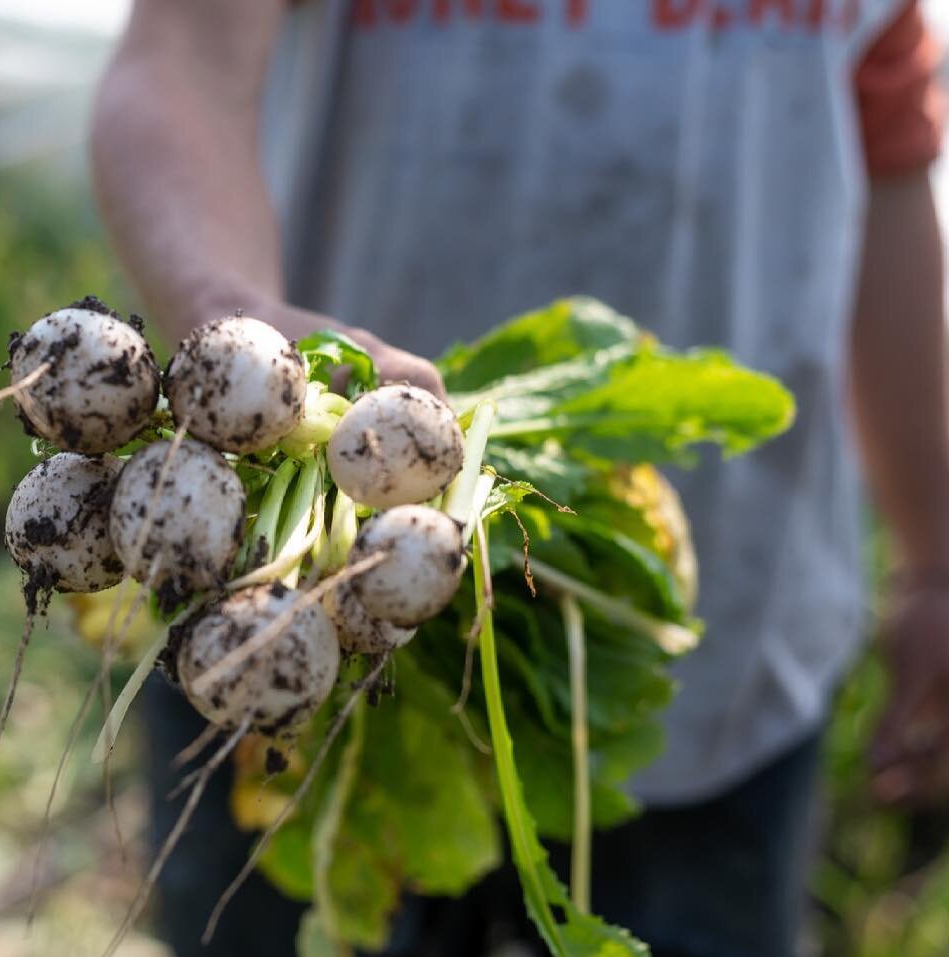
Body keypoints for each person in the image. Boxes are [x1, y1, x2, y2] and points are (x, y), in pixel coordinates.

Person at [89, 1, 949, 954]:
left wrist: (935, 554)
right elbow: (182, 56)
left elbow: (887, 155)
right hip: (272, 603)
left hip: (710, 636)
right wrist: (226, 316)